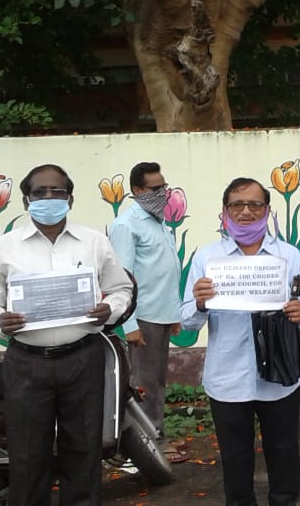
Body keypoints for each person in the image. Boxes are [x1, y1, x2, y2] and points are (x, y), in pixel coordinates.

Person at [0, 164, 135, 506]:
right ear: (26, 200)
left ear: (70, 198)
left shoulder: (95, 242)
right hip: (27, 363)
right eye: (40, 192)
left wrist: (111, 310)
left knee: (84, 450)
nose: (48, 197)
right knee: (28, 456)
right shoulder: (5, 248)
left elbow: (121, 289)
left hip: (82, 358)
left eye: (57, 192)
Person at [181, 177, 300, 506]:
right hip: (228, 378)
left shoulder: (287, 256)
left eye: (255, 204)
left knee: (284, 454)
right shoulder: (207, 259)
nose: (246, 211)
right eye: (237, 205)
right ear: (225, 212)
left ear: (267, 210)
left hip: (279, 376)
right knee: (235, 461)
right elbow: (187, 318)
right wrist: (200, 303)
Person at [108, 161, 184, 461]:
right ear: (137, 190)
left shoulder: (159, 222)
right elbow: (123, 279)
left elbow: (165, 271)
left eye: (164, 186)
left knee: (156, 381)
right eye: (156, 188)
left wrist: (175, 313)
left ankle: (156, 438)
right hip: (143, 317)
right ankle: (146, 447)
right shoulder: (125, 225)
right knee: (143, 383)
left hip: (162, 314)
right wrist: (130, 326)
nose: (163, 193)